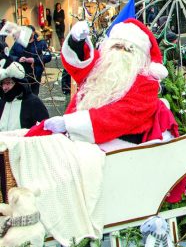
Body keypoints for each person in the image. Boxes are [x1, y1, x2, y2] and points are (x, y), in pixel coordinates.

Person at [26, 18, 177, 152]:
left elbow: (120, 116)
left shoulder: (146, 83)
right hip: (82, 140)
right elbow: (80, 64)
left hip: (119, 147)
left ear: (138, 57)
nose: (120, 52)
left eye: (127, 49)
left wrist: (70, 124)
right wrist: (76, 41)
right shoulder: (101, 66)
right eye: (116, 46)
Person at [0, 58, 49, 131]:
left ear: (19, 83)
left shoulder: (33, 103)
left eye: (8, 83)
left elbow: (44, 129)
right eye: (2, 83)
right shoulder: (2, 102)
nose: (4, 87)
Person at [9, 26, 51, 95]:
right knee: (21, 94)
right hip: (21, 73)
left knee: (34, 95)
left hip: (35, 74)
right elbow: (10, 55)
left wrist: (34, 60)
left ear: (33, 33)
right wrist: (18, 59)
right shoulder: (18, 43)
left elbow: (48, 56)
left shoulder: (41, 43)